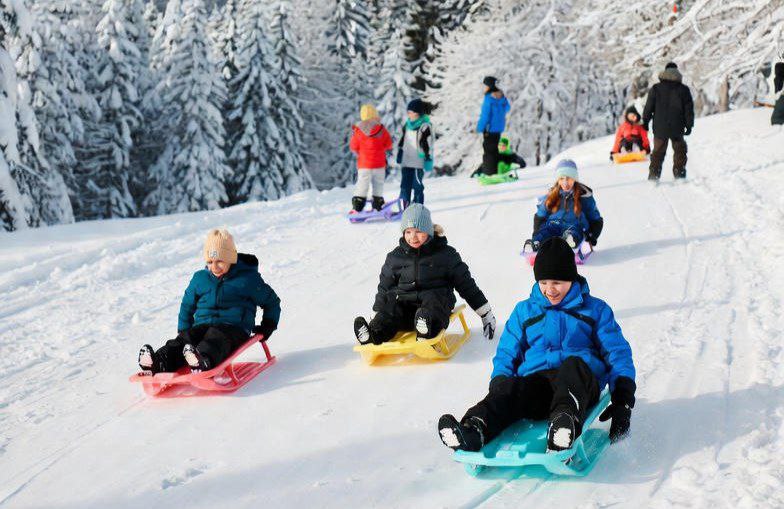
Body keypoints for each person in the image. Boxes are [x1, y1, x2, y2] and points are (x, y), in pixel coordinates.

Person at [437, 237, 636, 452]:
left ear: (572, 279)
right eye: (544, 283)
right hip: (539, 384)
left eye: (557, 283)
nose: (550, 290)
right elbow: (506, 353)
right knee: (513, 388)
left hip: (580, 385)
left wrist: (622, 400)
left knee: (573, 365)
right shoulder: (525, 311)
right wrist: (501, 388)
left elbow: (617, 353)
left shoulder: (595, 310)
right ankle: (474, 429)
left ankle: (563, 428)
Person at [137, 229, 281, 373]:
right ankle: (159, 362)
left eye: (219, 261)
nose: (214, 266)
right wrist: (183, 330)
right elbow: (187, 305)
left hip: (234, 328)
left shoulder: (247, 279)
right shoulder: (200, 279)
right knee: (186, 339)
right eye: (210, 262)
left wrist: (268, 325)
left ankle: (203, 361)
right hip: (203, 325)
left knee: (216, 339)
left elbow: (272, 301)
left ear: (230, 258)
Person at [353, 204, 496, 345]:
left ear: (429, 231)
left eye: (418, 231)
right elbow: (385, 286)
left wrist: (485, 313)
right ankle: (373, 333)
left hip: (435, 307)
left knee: (433, 299)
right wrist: (377, 313)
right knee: (392, 304)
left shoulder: (446, 255)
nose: (413, 237)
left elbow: (466, 285)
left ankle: (426, 330)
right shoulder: (395, 257)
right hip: (406, 310)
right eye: (408, 232)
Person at [527, 160, 603, 250]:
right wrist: (536, 233)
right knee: (545, 231)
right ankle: (535, 244)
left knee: (573, 232)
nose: (565, 182)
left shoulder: (584, 196)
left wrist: (593, 235)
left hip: (575, 226)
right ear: (558, 180)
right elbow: (540, 215)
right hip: (554, 225)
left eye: (569, 178)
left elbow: (595, 217)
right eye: (561, 178)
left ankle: (569, 241)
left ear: (574, 178)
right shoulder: (552, 195)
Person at [642, 62, 694, 180]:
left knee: (658, 152)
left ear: (664, 72)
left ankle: (654, 175)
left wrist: (645, 121)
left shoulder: (656, 88)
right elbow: (688, 110)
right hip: (677, 127)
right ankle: (679, 174)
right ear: (677, 73)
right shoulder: (684, 89)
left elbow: (649, 107)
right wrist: (689, 125)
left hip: (660, 127)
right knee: (680, 151)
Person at [349, 104, 393, 212]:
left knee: (362, 185)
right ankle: (377, 205)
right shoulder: (381, 130)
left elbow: (353, 146)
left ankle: (357, 207)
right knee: (378, 184)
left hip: (364, 165)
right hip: (379, 164)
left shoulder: (358, 131)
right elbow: (388, 145)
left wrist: (361, 151)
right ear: (375, 116)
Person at [396, 99, 434, 207]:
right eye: (408, 112)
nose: (409, 114)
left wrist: (427, 157)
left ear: (418, 113)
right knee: (405, 184)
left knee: (417, 184)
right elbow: (403, 140)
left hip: (418, 161)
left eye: (411, 112)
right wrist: (400, 152)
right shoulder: (407, 125)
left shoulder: (425, 126)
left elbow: (428, 143)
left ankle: (418, 206)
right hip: (407, 160)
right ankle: (405, 205)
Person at [476, 76, 511, 175]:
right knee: (494, 150)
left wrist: (480, 128)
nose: (485, 87)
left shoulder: (489, 98)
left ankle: (489, 172)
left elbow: (485, 115)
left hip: (489, 129)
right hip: (499, 128)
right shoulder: (502, 97)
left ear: (489, 86)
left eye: (485, 85)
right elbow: (507, 108)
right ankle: (495, 171)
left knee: (488, 151)